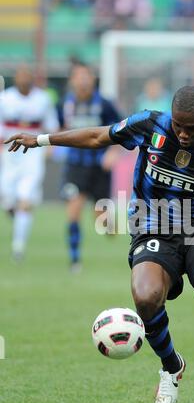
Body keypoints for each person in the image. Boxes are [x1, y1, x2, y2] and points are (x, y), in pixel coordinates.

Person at [4, 85, 194, 403]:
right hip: (152, 228)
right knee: (145, 298)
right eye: (178, 126)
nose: (183, 134)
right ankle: (172, 366)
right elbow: (100, 137)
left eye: (192, 128)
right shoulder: (150, 125)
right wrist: (41, 139)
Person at [58, 64, 122, 272]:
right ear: (72, 80)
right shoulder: (64, 104)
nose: (83, 80)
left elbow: (120, 130)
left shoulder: (104, 105)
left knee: (103, 223)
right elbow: (59, 128)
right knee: (74, 210)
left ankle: (112, 228)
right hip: (75, 167)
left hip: (99, 168)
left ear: (93, 79)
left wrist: (112, 153)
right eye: (79, 76)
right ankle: (75, 260)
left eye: (87, 76)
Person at [0, 64, 59, 260]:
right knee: (8, 200)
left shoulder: (42, 99)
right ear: (15, 78)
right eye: (21, 76)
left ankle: (18, 246)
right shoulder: (5, 98)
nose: (24, 80)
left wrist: (49, 148)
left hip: (32, 156)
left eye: (27, 76)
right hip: (8, 155)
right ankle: (17, 219)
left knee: (25, 199)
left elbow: (52, 126)